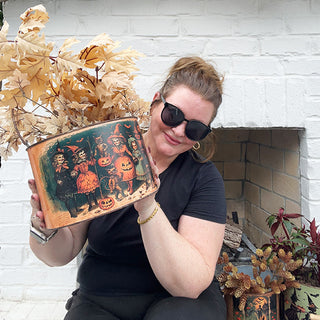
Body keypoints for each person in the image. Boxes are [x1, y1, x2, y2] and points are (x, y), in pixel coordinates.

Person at [29, 56, 227, 320]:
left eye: (195, 129)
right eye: (173, 114)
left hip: (179, 301)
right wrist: (47, 227)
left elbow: (188, 286)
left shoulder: (204, 178)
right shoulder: (102, 152)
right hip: (102, 298)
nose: (179, 131)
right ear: (156, 101)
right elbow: (59, 254)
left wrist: (146, 204)